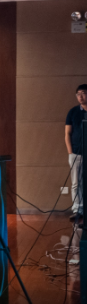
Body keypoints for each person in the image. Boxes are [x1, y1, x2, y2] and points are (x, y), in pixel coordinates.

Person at [67, 84, 87, 219]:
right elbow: (67, 134)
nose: (80, 96)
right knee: (76, 183)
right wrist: (71, 153)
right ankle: (77, 210)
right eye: (78, 94)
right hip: (76, 153)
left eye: (83, 93)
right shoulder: (73, 112)